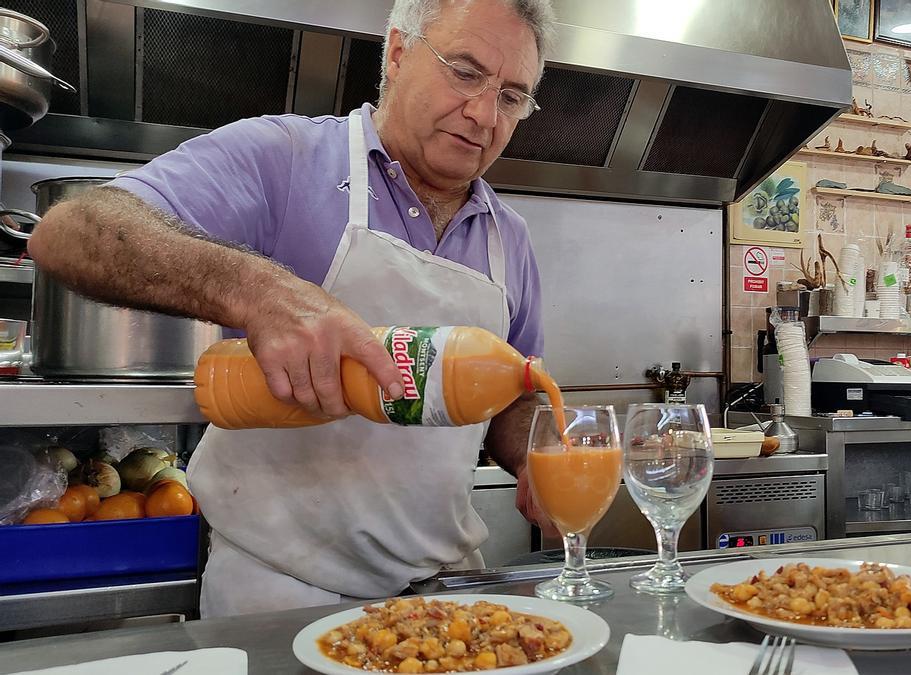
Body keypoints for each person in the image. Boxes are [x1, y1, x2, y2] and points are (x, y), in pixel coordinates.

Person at [27, 0, 556, 618]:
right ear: (397, 52)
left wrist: (539, 455)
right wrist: (258, 290)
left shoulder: (508, 237)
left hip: (441, 593)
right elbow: (69, 232)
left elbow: (516, 394)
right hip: (277, 592)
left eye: (512, 96)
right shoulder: (287, 158)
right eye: (464, 72)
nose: (484, 114)